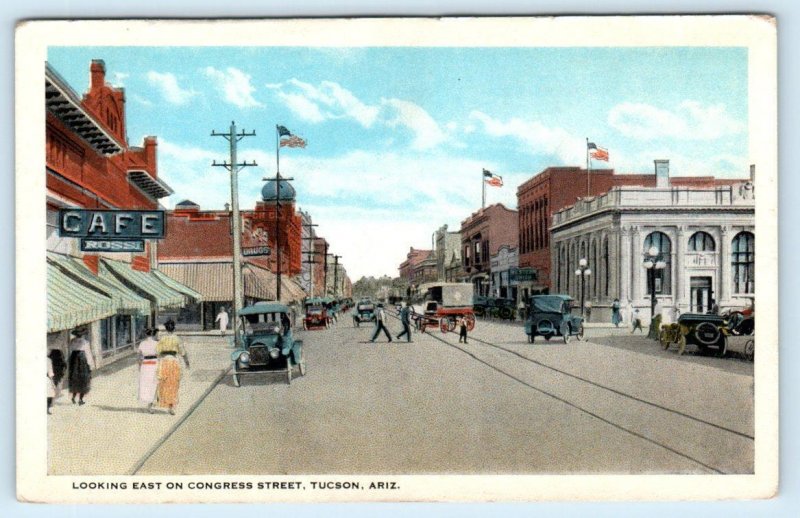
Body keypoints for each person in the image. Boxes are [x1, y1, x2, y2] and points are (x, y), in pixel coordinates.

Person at [156, 320, 190, 415]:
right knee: (173, 384)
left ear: (166, 329)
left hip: (164, 361)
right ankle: (171, 406)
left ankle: (165, 403)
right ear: (174, 328)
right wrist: (187, 363)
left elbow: (158, 352)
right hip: (174, 361)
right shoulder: (177, 339)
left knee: (164, 383)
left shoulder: (162, 339)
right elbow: (183, 352)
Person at [67, 326, 94, 405]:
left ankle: (73, 397)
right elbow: (88, 354)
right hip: (82, 360)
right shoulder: (85, 342)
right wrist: (90, 365)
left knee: (74, 378)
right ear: (82, 335)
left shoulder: (72, 341)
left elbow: (70, 350)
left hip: (74, 359)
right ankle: (80, 400)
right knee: (83, 379)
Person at [137, 327, 160, 413]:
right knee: (154, 383)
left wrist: (139, 366)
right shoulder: (156, 343)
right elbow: (158, 355)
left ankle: (149, 402)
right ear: (153, 334)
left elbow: (139, 356)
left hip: (145, 364)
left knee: (146, 383)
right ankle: (151, 404)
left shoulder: (142, 343)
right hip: (154, 363)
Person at [47, 349, 66, 414]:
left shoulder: (49, 360)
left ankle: (50, 402)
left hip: (51, 376)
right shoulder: (61, 361)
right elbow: (64, 367)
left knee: (51, 389)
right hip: (58, 375)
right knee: (56, 388)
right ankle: (52, 402)